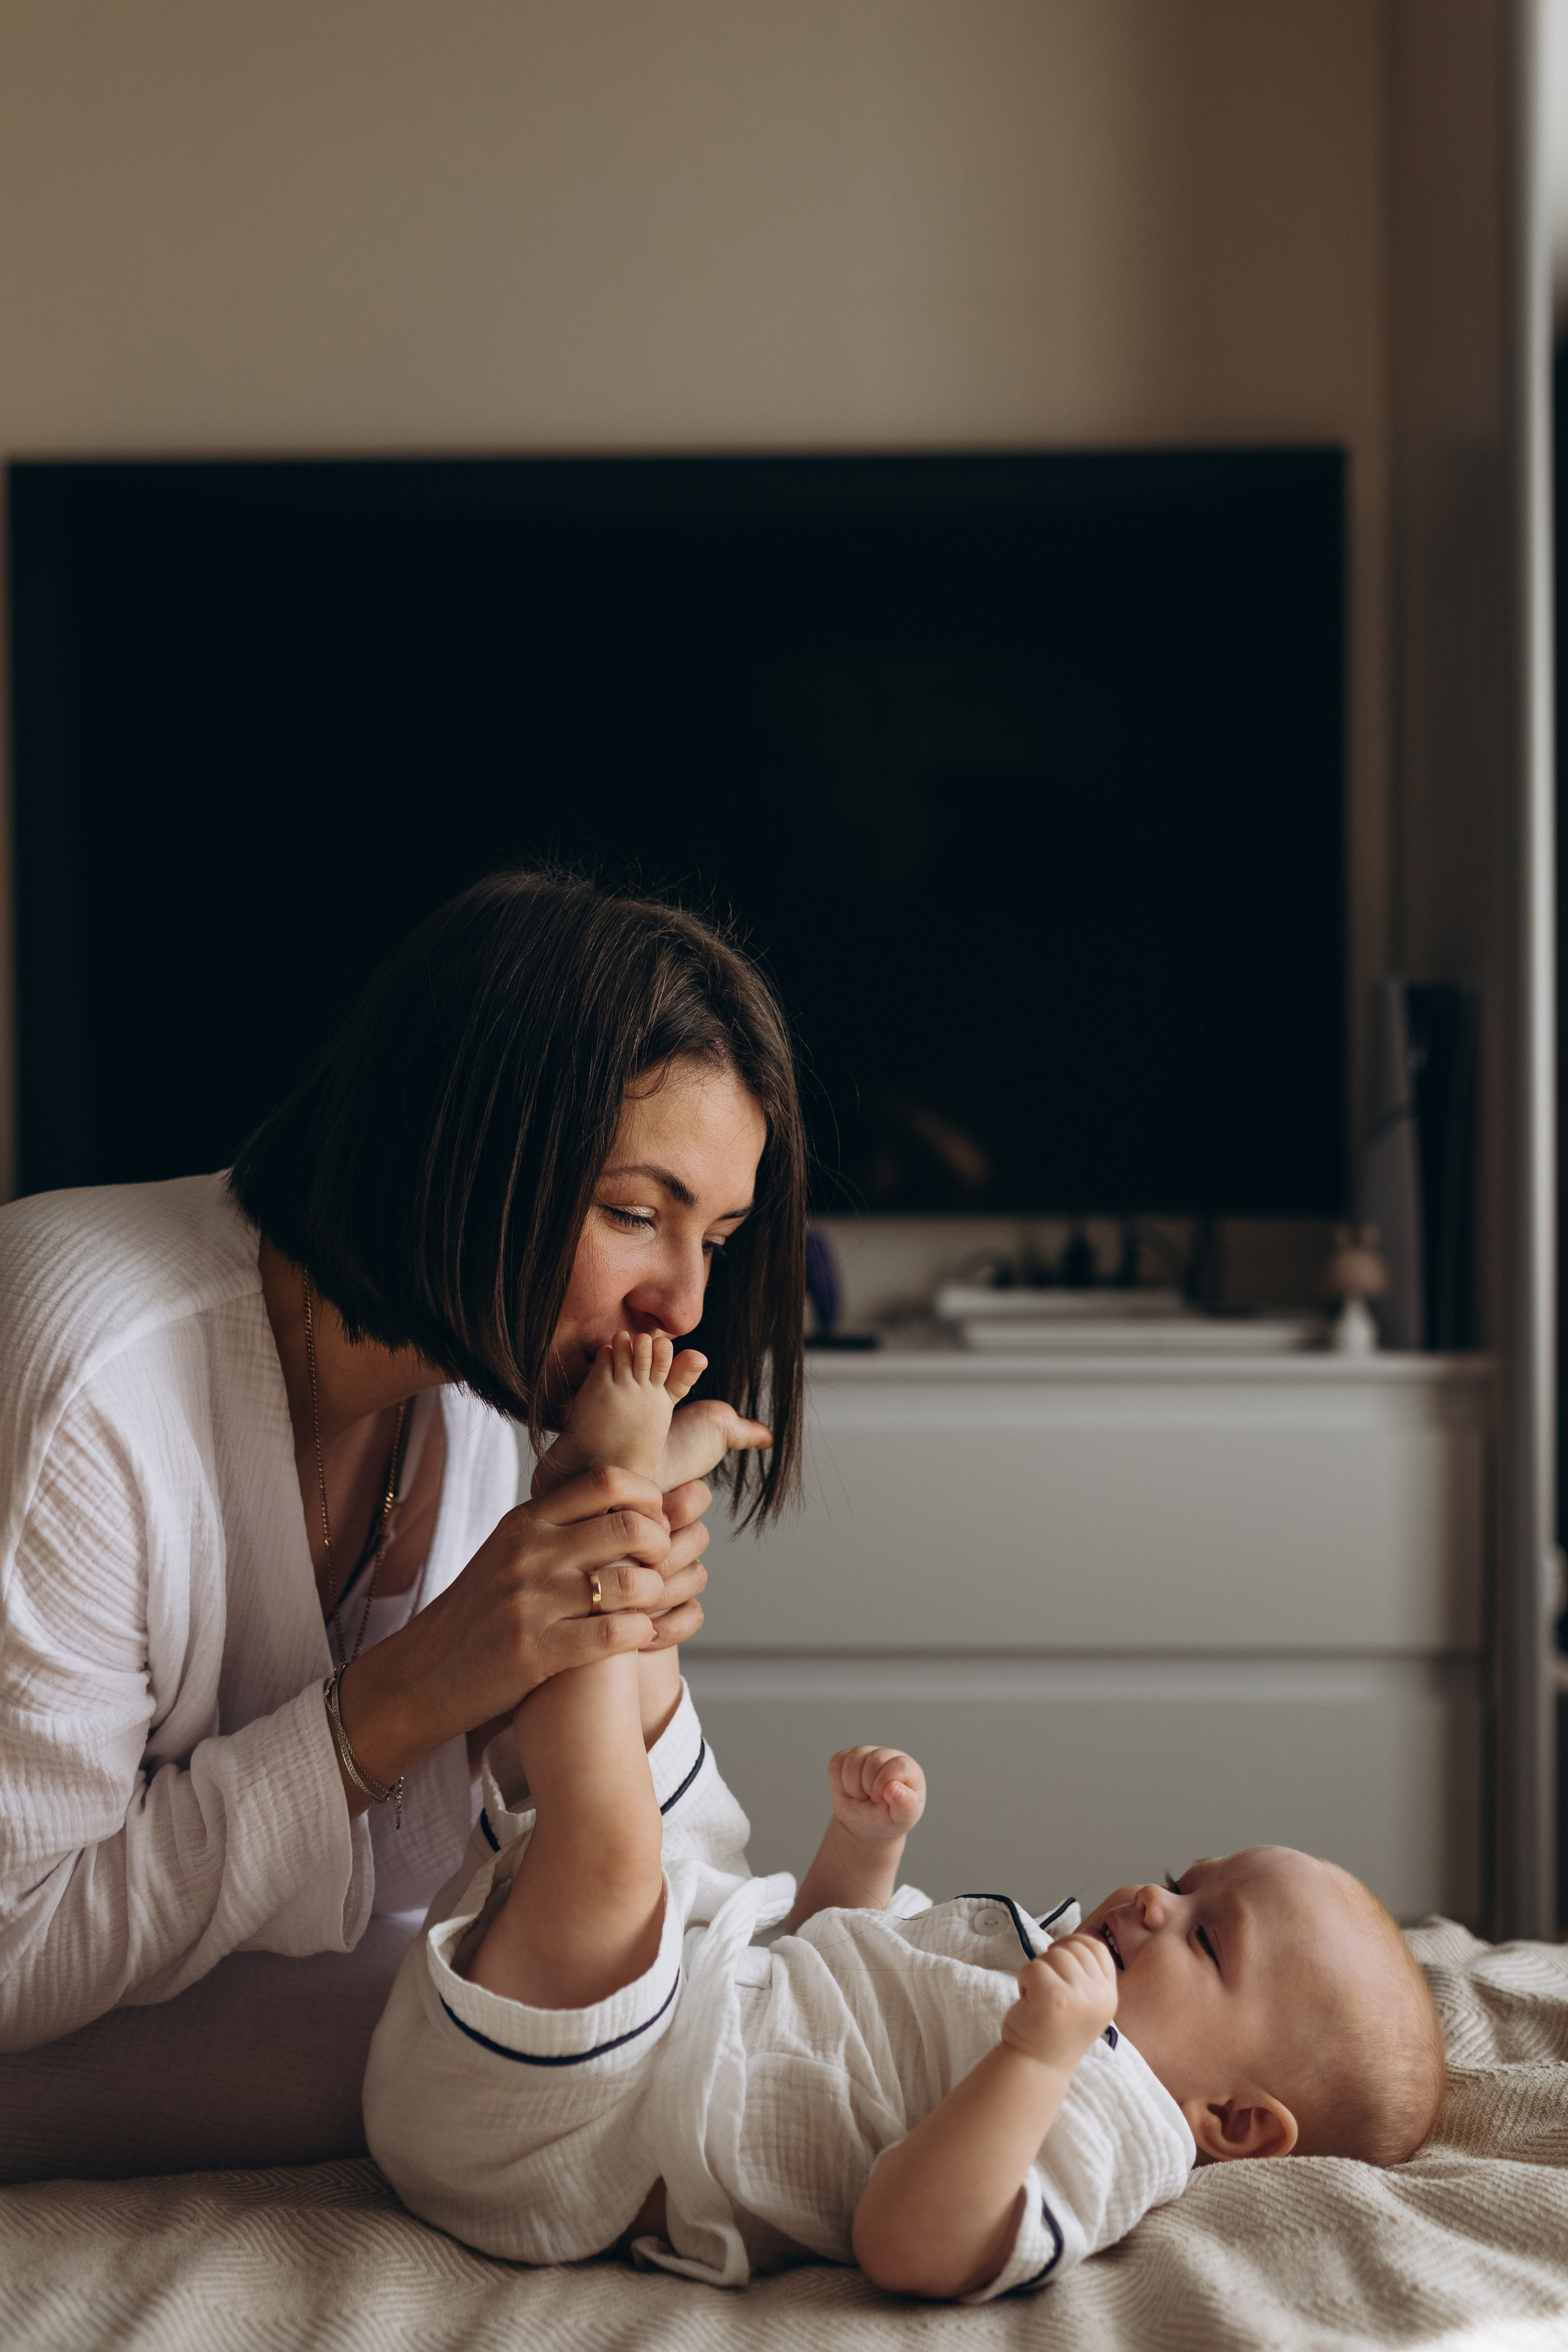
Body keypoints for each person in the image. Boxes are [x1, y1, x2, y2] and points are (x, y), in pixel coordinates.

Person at [0, 869, 804, 2180]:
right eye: (631, 1214)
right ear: (462, 1145)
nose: (682, 1303)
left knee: (644, 2032)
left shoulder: (490, 1399)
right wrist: (415, 1692)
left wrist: (615, 1624)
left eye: (715, 1236)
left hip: (163, 1999)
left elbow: (665, 1886)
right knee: (577, 2062)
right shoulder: (84, 1366)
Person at [363, 1330, 1450, 2299]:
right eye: (1185, 1879)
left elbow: (911, 2244)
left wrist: (1035, 2057)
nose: (1157, 1904)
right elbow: (831, 1974)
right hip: (670, 2010)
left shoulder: (1115, 2126)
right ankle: (612, 1522)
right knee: (657, 1739)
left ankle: (608, 1497)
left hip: (576, 2131)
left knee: (613, 1844)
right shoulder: (1058, 1978)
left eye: (1209, 1937)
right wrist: (863, 1854)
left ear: (1236, 2124)